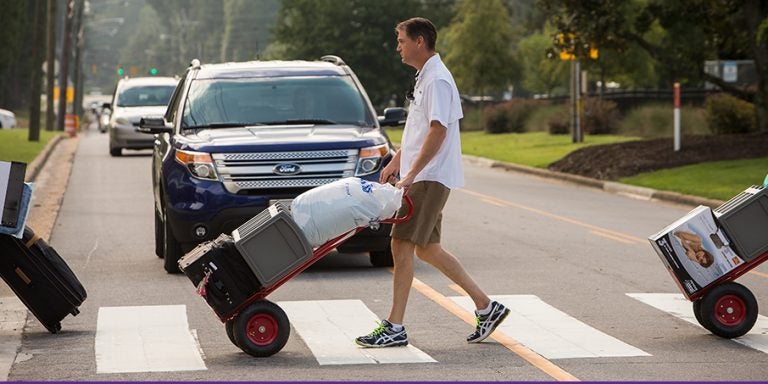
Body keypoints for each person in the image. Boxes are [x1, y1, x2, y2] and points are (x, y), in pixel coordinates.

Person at [355, 17, 510, 348]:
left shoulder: (438, 79)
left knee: (400, 244)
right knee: (427, 249)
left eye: (401, 40)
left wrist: (411, 174)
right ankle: (487, 306)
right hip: (423, 175)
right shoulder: (424, 76)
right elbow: (419, 127)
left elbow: (438, 130)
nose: (398, 46)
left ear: (420, 41)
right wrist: (397, 160)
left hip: (429, 177)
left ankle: (395, 326)